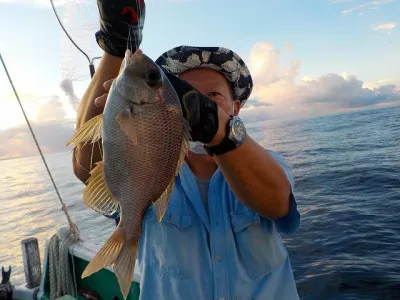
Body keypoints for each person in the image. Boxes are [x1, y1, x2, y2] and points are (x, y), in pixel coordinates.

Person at [72, 0, 301, 299]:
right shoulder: (150, 171)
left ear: (236, 107)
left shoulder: (268, 164)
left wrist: (217, 131)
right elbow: (84, 166)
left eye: (213, 96)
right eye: (186, 95)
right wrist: (116, 47)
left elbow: (277, 204)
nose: (198, 103)